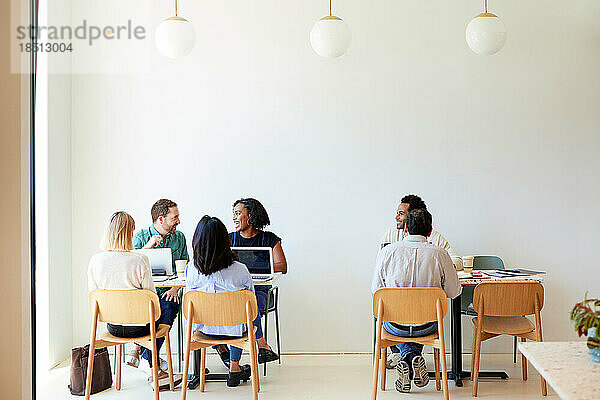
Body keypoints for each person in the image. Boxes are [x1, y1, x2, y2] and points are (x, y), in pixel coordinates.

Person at [87, 211, 183, 390]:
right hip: (140, 327)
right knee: (164, 311)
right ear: (130, 233)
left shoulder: (95, 260)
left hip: (112, 327)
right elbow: (152, 302)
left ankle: (142, 358)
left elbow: (95, 297)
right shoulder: (139, 259)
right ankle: (153, 368)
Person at [372, 208, 461, 393]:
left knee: (401, 321)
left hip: (394, 326)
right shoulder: (440, 254)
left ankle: (405, 358)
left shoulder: (387, 252)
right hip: (427, 326)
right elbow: (454, 292)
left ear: (405, 229)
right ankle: (410, 357)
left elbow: (376, 292)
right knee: (418, 321)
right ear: (430, 232)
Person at [185, 216, 268, 387]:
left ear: (197, 241)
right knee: (242, 314)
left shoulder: (191, 268)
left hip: (202, 330)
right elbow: (251, 309)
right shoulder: (240, 269)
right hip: (234, 330)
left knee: (236, 315)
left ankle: (226, 367)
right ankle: (237, 365)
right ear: (225, 241)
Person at [126, 199, 188, 370]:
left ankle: (140, 350)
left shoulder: (179, 237)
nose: (178, 221)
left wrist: (175, 288)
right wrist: (149, 246)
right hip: (144, 293)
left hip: (169, 291)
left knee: (168, 307)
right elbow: (130, 265)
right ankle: (152, 361)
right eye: (174, 217)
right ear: (161, 219)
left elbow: (187, 268)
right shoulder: (141, 237)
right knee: (152, 311)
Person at [229, 198, 285, 364]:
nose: (234, 218)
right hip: (235, 290)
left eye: (238, 213)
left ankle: (234, 366)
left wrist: (257, 264)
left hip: (260, 289)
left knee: (245, 307)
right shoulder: (229, 239)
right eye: (233, 214)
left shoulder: (269, 239)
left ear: (251, 215)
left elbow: (282, 266)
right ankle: (262, 346)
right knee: (242, 307)